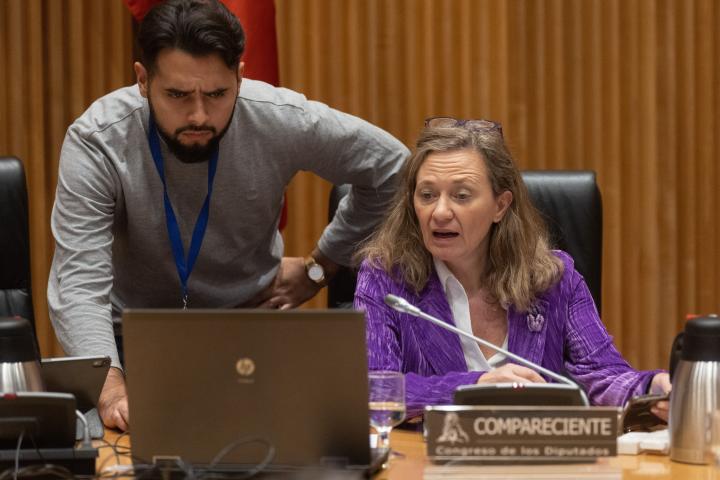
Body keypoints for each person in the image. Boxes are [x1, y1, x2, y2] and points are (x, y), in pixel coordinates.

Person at [48, 0, 408, 431]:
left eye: (217, 94)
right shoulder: (98, 140)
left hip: (251, 335)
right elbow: (79, 283)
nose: (199, 115)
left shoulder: (277, 118)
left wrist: (323, 265)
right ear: (143, 80)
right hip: (130, 345)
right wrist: (110, 391)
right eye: (177, 95)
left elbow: (393, 169)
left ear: (239, 76)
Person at [353, 117, 671, 419]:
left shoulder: (553, 278)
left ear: (500, 205)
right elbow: (371, 391)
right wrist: (474, 387)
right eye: (427, 195)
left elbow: (604, 375)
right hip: (427, 455)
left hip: (535, 454)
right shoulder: (385, 278)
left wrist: (651, 388)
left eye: (461, 196)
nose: (440, 212)